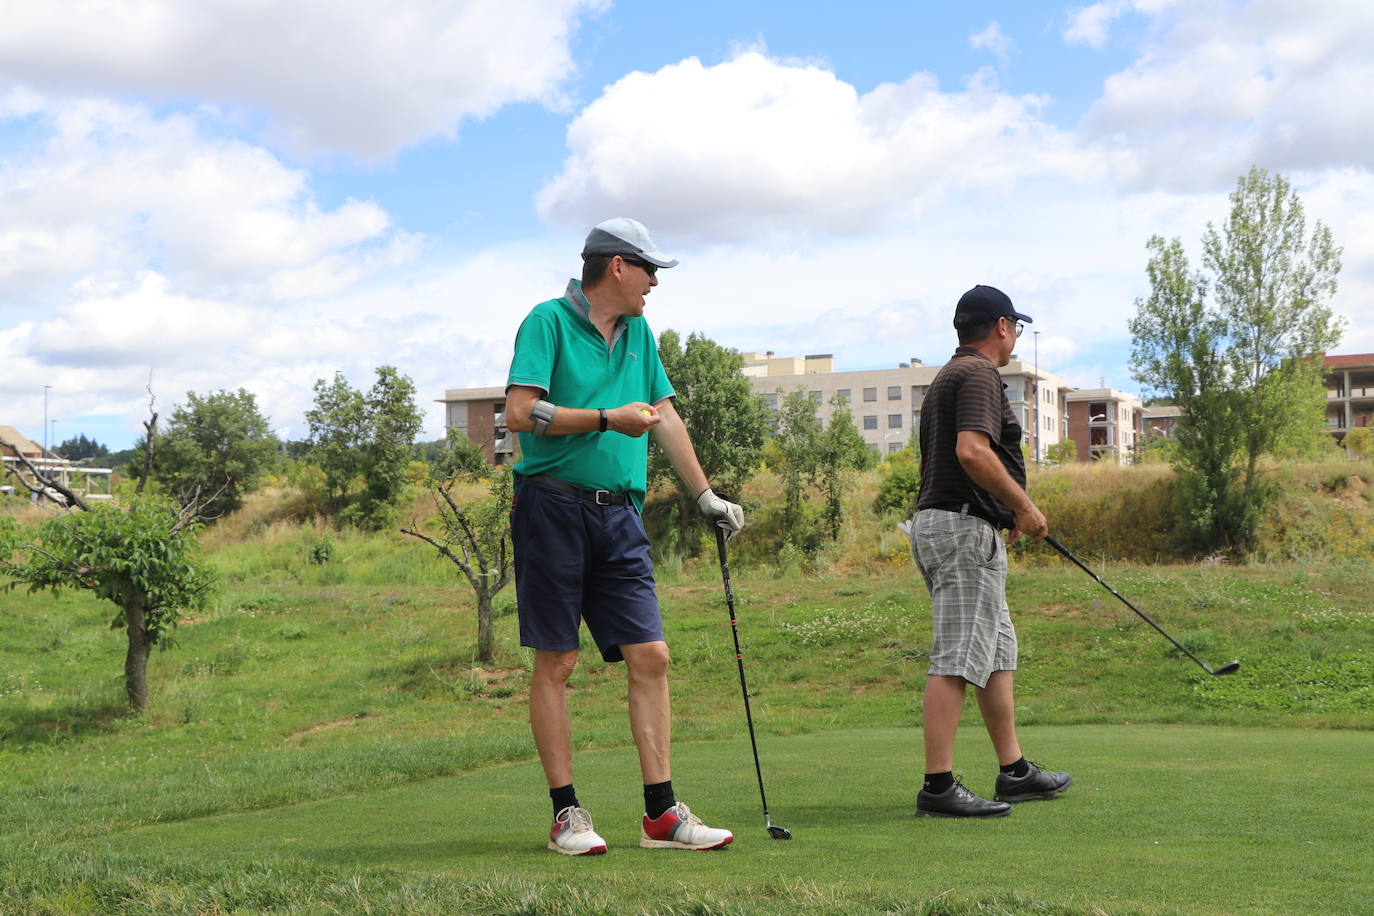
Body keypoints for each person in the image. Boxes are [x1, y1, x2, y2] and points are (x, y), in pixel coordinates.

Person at [504, 217, 746, 855]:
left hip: (620, 517)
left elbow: (664, 416)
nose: (654, 283)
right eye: (649, 269)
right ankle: (567, 816)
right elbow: (521, 414)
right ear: (617, 266)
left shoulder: (641, 333)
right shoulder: (547, 322)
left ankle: (662, 817)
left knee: (652, 656)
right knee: (557, 660)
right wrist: (608, 418)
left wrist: (705, 496)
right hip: (551, 508)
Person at [909, 284, 1072, 818]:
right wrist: (1023, 507)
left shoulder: (950, 375)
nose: (1017, 336)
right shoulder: (978, 374)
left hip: (958, 526)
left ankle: (1014, 770)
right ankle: (938, 787)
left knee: (997, 653)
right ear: (1002, 326)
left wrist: (1003, 511)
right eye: (1016, 327)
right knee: (957, 657)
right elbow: (972, 450)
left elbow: (962, 458)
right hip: (961, 531)